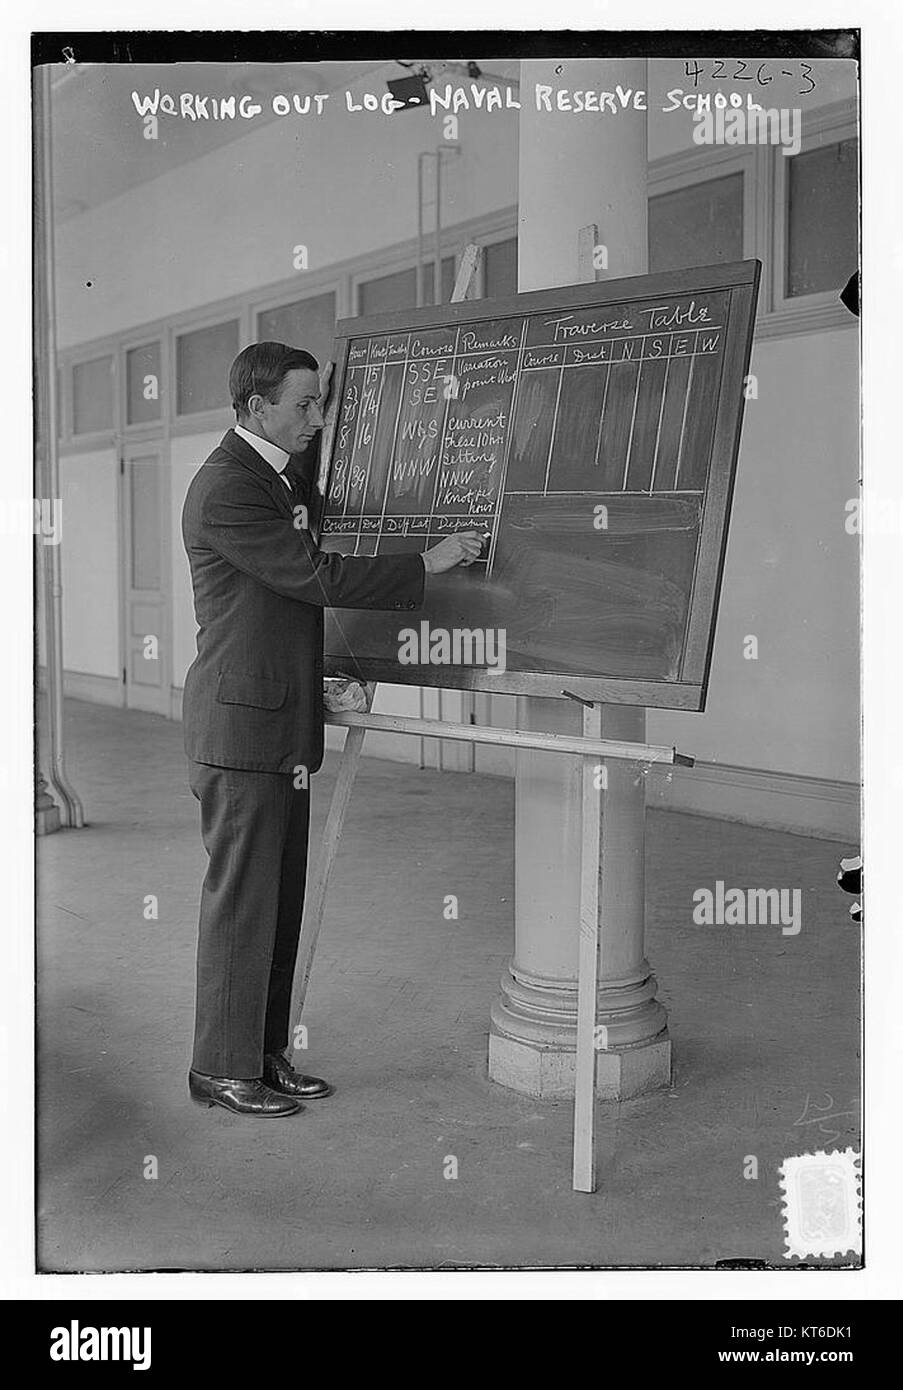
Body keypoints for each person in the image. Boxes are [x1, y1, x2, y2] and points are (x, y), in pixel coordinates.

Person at [181, 341, 482, 1117]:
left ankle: (261, 1054)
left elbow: (271, 606)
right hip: (241, 730)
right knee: (242, 903)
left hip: (278, 719)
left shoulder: (272, 476)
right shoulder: (227, 489)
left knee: (277, 903)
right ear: (255, 408)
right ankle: (220, 1069)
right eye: (305, 405)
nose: (320, 420)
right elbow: (313, 575)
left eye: (321, 403)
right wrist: (429, 562)